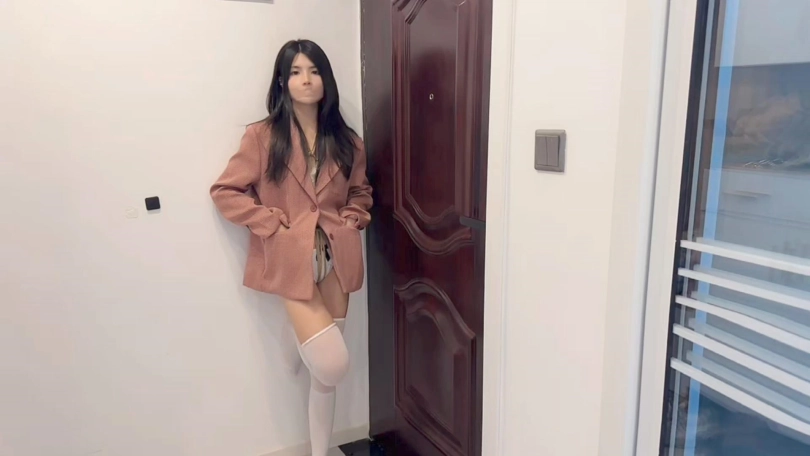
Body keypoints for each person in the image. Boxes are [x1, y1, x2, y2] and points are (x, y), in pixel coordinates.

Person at [210, 39, 372, 456]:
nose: (306, 80)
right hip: (291, 259)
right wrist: (271, 224)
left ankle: (320, 453)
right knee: (332, 362)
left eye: (314, 71)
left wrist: (353, 218)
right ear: (282, 81)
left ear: (326, 79)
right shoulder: (263, 136)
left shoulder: (348, 141)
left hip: (336, 258)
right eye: (296, 72)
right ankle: (295, 339)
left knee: (324, 377)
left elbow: (360, 192)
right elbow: (225, 191)